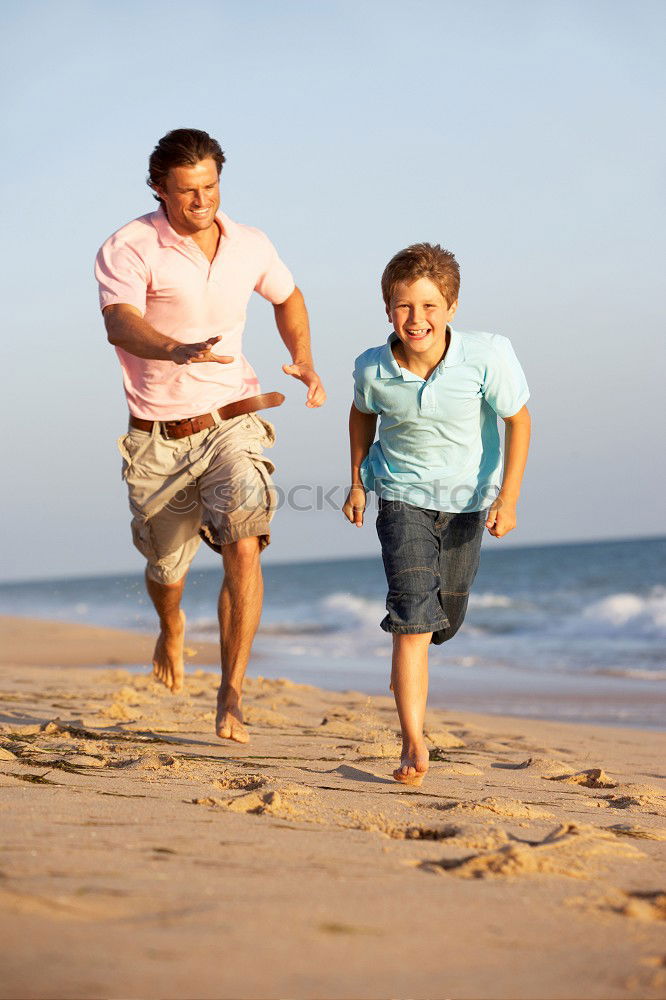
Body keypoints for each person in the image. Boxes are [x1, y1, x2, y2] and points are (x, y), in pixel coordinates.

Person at [95, 128, 325, 744]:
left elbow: (288, 294)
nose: (202, 202)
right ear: (158, 189)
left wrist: (301, 356)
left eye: (211, 187)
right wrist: (175, 349)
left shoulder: (249, 243)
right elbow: (120, 323)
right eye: (187, 191)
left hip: (231, 421)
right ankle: (171, 625)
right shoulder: (130, 245)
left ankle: (232, 693)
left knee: (244, 540)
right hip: (158, 438)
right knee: (166, 567)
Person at [342, 243, 530, 785]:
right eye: (404, 307)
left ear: (450, 307)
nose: (416, 319)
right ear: (388, 310)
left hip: (469, 504)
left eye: (428, 306)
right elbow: (361, 416)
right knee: (412, 619)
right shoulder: (372, 367)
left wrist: (508, 498)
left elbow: (519, 421)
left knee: (443, 619)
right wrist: (356, 481)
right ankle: (412, 740)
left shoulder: (487, 355)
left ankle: (424, 646)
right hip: (401, 498)